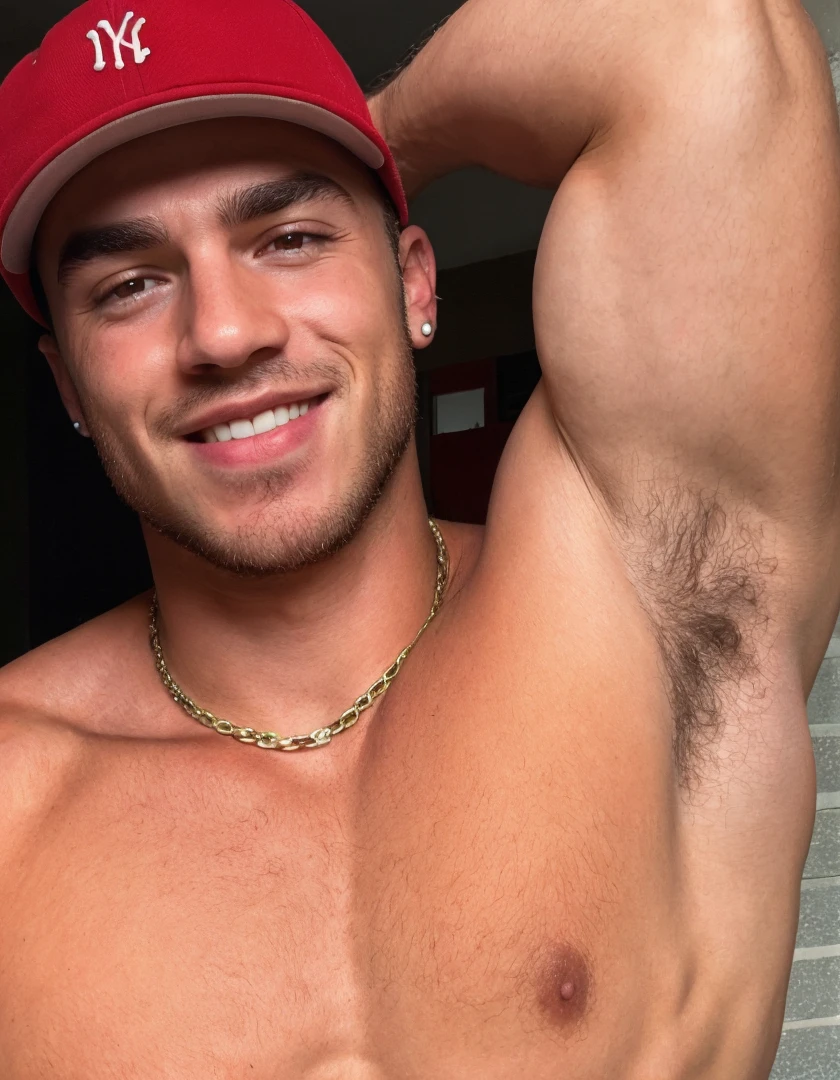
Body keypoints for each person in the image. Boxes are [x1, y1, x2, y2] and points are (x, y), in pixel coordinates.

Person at [0, 0, 838, 1074]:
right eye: (130, 286)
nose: (225, 330)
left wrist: (367, 129)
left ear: (413, 283)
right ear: (69, 386)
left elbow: (710, 35)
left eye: (291, 237)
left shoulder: (634, 603)